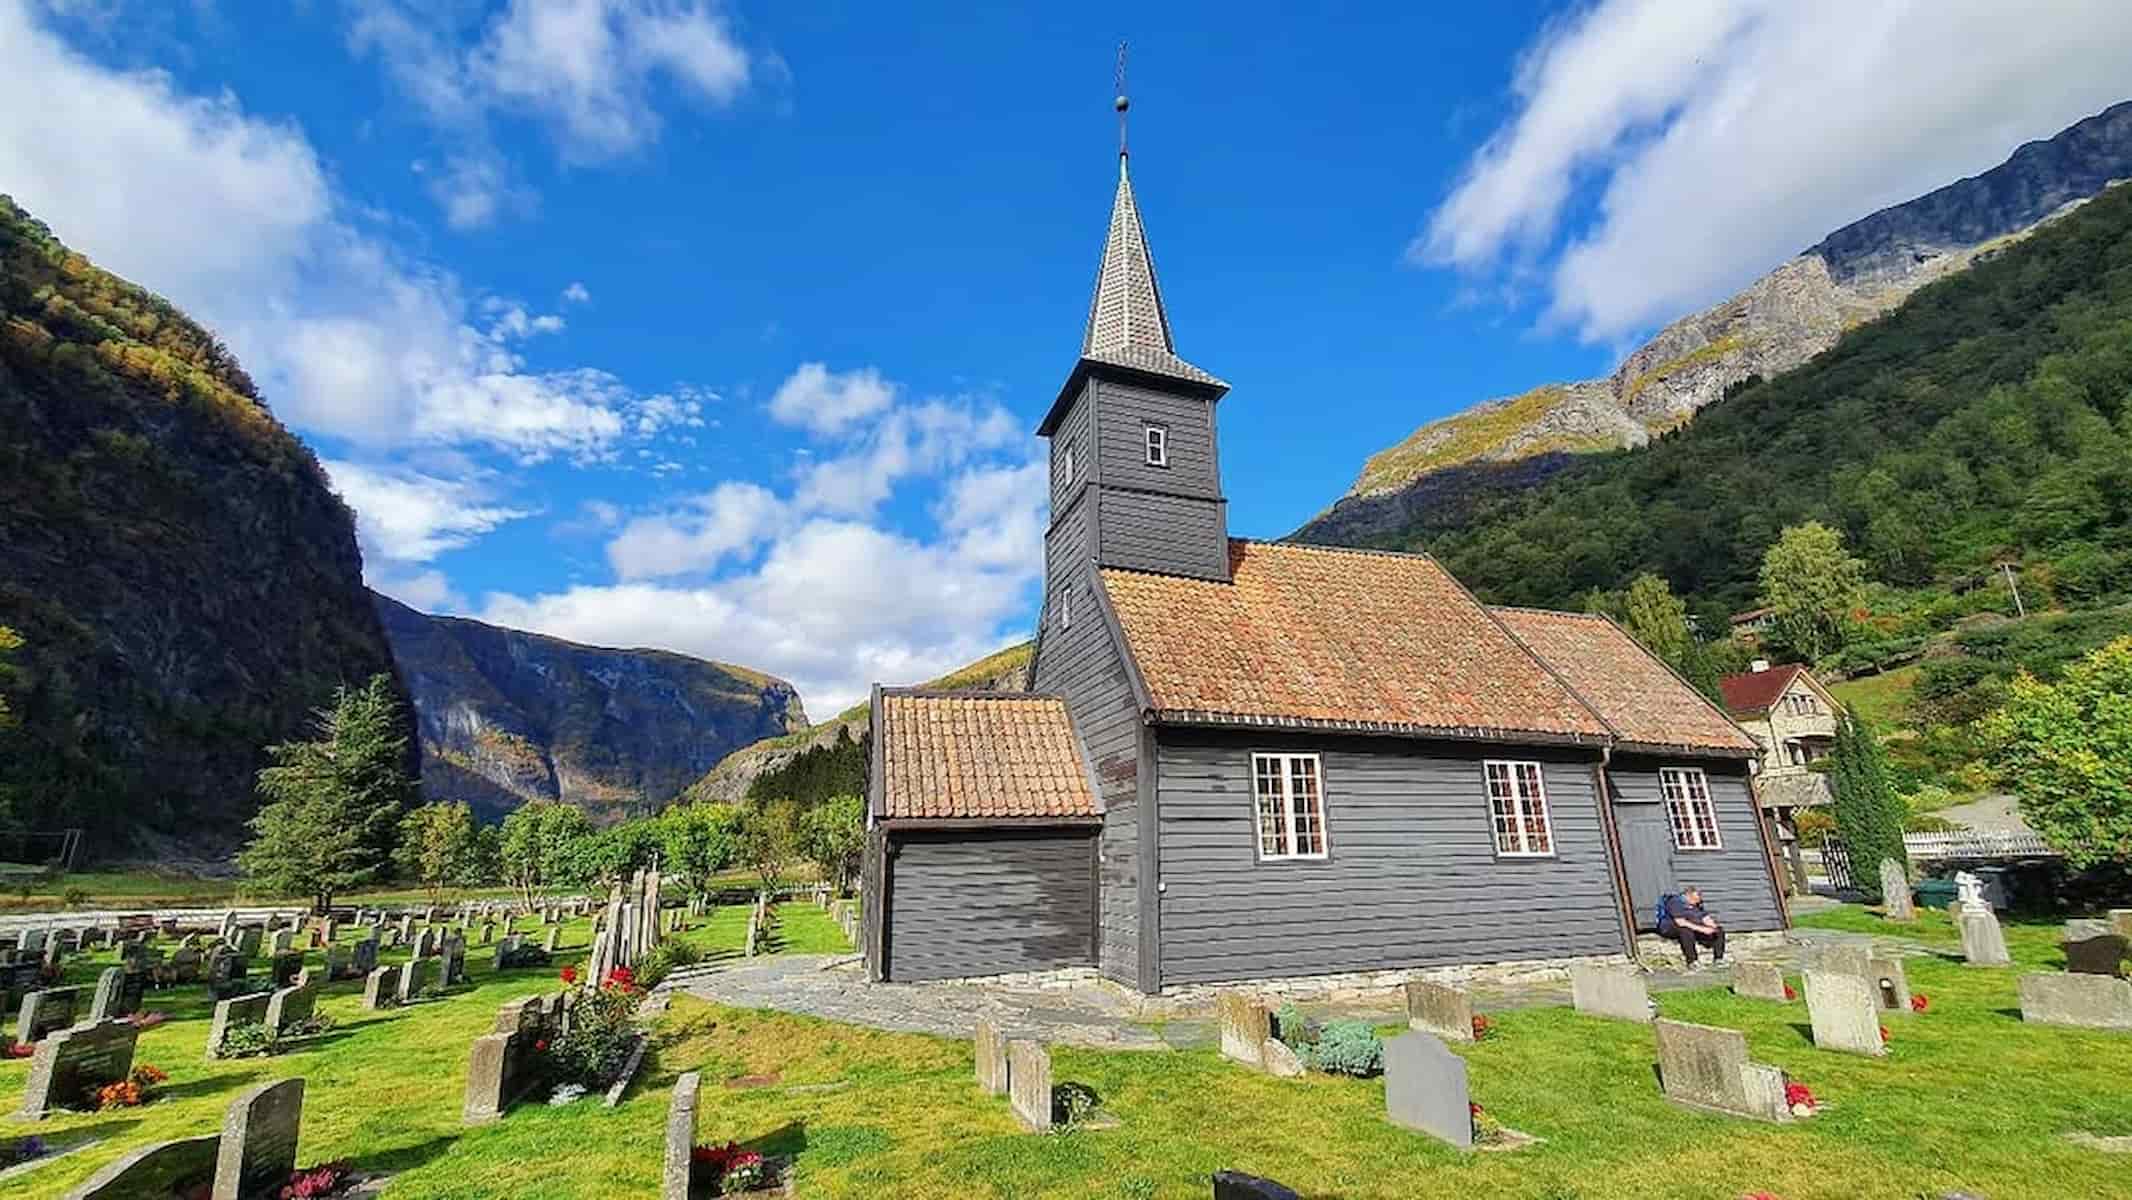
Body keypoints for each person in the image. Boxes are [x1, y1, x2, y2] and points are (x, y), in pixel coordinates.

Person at [1659, 886, 1726, 970]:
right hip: (1671, 927)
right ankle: (1692, 961)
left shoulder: (1696, 904)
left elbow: (1704, 917)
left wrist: (1713, 927)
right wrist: (1702, 929)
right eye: (1695, 899)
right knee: (1686, 930)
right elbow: (1680, 922)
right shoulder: (1675, 902)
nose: (1697, 902)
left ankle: (1718, 959)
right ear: (1688, 895)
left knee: (1719, 930)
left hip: (1692, 926)